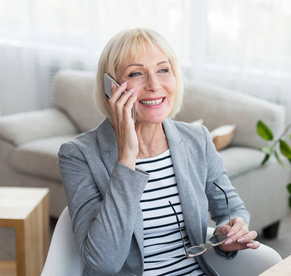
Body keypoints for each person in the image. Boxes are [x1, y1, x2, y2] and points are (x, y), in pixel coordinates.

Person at [58, 28, 260, 276]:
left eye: (163, 70)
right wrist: (126, 157)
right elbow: (102, 264)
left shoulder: (198, 140)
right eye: (136, 73)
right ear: (111, 88)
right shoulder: (78, 155)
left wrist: (228, 233)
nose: (155, 85)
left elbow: (233, 210)